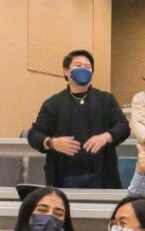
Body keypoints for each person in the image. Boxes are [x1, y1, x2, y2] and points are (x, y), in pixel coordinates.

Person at [27, 49, 130, 189]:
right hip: (62, 177)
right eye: (78, 65)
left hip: (103, 176)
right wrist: (51, 142)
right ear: (66, 71)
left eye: (88, 67)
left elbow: (123, 126)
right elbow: (34, 134)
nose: (83, 70)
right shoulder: (53, 103)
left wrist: (107, 136)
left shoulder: (105, 99)